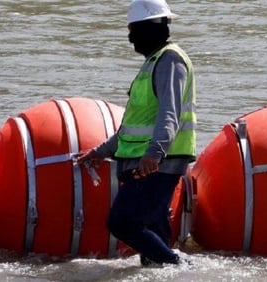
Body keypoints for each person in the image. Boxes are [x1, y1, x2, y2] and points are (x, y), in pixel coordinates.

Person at [76, 0, 196, 266]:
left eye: (132, 30)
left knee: (122, 222)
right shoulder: (153, 62)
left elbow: (170, 112)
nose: (130, 38)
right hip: (146, 160)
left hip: (157, 162)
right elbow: (132, 125)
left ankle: (181, 268)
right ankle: (169, 272)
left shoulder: (170, 60)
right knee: (152, 231)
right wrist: (100, 152)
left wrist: (155, 153)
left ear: (148, 28)